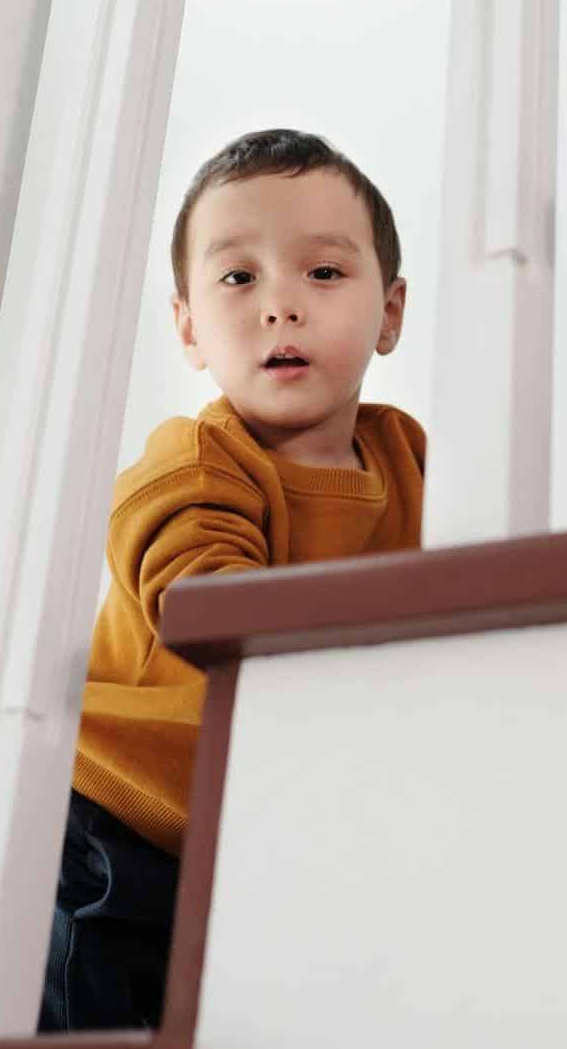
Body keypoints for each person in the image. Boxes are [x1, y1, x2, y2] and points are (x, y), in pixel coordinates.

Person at [39, 129, 426, 1032]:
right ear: (187, 327)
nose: (280, 307)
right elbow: (207, 602)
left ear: (391, 311)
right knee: (101, 1006)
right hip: (125, 819)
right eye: (238, 278)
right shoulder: (197, 463)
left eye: (323, 274)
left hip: (262, 825)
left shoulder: (407, 457)